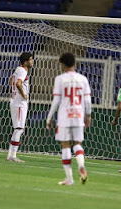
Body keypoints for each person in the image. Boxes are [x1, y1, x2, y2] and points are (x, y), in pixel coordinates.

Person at [46, 52, 91, 186]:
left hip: (65, 116)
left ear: (63, 65)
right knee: (77, 144)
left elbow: (56, 101)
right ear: (75, 64)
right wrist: (88, 115)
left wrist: (49, 118)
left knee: (65, 145)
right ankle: (81, 166)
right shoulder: (83, 79)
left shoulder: (60, 79)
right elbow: (87, 100)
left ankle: (69, 178)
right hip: (78, 114)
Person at [7, 52, 34, 162]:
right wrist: (23, 95)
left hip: (15, 101)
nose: (32, 62)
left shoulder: (18, 69)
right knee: (19, 129)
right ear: (25, 62)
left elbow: (11, 80)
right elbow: (18, 83)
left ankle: (10, 155)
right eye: (31, 60)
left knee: (18, 129)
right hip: (19, 103)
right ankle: (12, 155)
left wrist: (14, 92)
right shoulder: (23, 71)